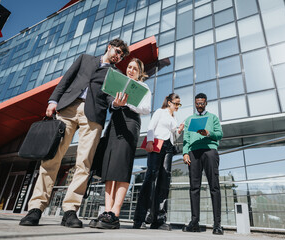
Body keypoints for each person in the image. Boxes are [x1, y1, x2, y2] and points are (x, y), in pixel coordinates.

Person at [19, 38, 130, 228]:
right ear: (109, 47)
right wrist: (53, 100)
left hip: (93, 116)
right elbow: (66, 79)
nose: (119, 57)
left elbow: (111, 97)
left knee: (84, 163)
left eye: (122, 55)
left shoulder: (116, 74)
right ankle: (35, 208)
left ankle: (70, 210)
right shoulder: (85, 59)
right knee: (52, 158)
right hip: (68, 109)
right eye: (118, 52)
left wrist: (115, 104)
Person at [89, 58, 151, 229]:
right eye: (129, 67)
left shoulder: (144, 87)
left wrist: (129, 102)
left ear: (140, 72)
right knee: (109, 168)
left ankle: (115, 214)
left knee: (122, 167)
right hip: (115, 124)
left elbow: (146, 109)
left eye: (135, 68)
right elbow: (110, 103)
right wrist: (116, 103)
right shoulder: (118, 83)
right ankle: (107, 211)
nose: (130, 70)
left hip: (130, 124)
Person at [133, 93, 184, 231]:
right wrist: (149, 141)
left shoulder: (174, 117)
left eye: (179, 104)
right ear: (169, 102)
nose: (177, 106)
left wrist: (179, 130)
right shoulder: (160, 112)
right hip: (157, 145)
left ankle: (159, 220)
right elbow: (151, 127)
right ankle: (140, 219)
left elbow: (174, 134)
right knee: (151, 177)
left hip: (169, 147)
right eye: (176, 103)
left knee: (164, 180)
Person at [181, 93, 224, 235]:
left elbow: (220, 134)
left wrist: (208, 133)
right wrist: (185, 152)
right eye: (197, 103)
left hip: (210, 151)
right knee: (194, 187)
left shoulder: (213, 118)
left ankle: (217, 225)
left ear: (206, 103)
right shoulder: (189, 119)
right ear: (194, 103)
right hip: (194, 153)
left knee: (214, 186)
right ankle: (194, 222)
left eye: (202, 103)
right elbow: (186, 138)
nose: (199, 106)